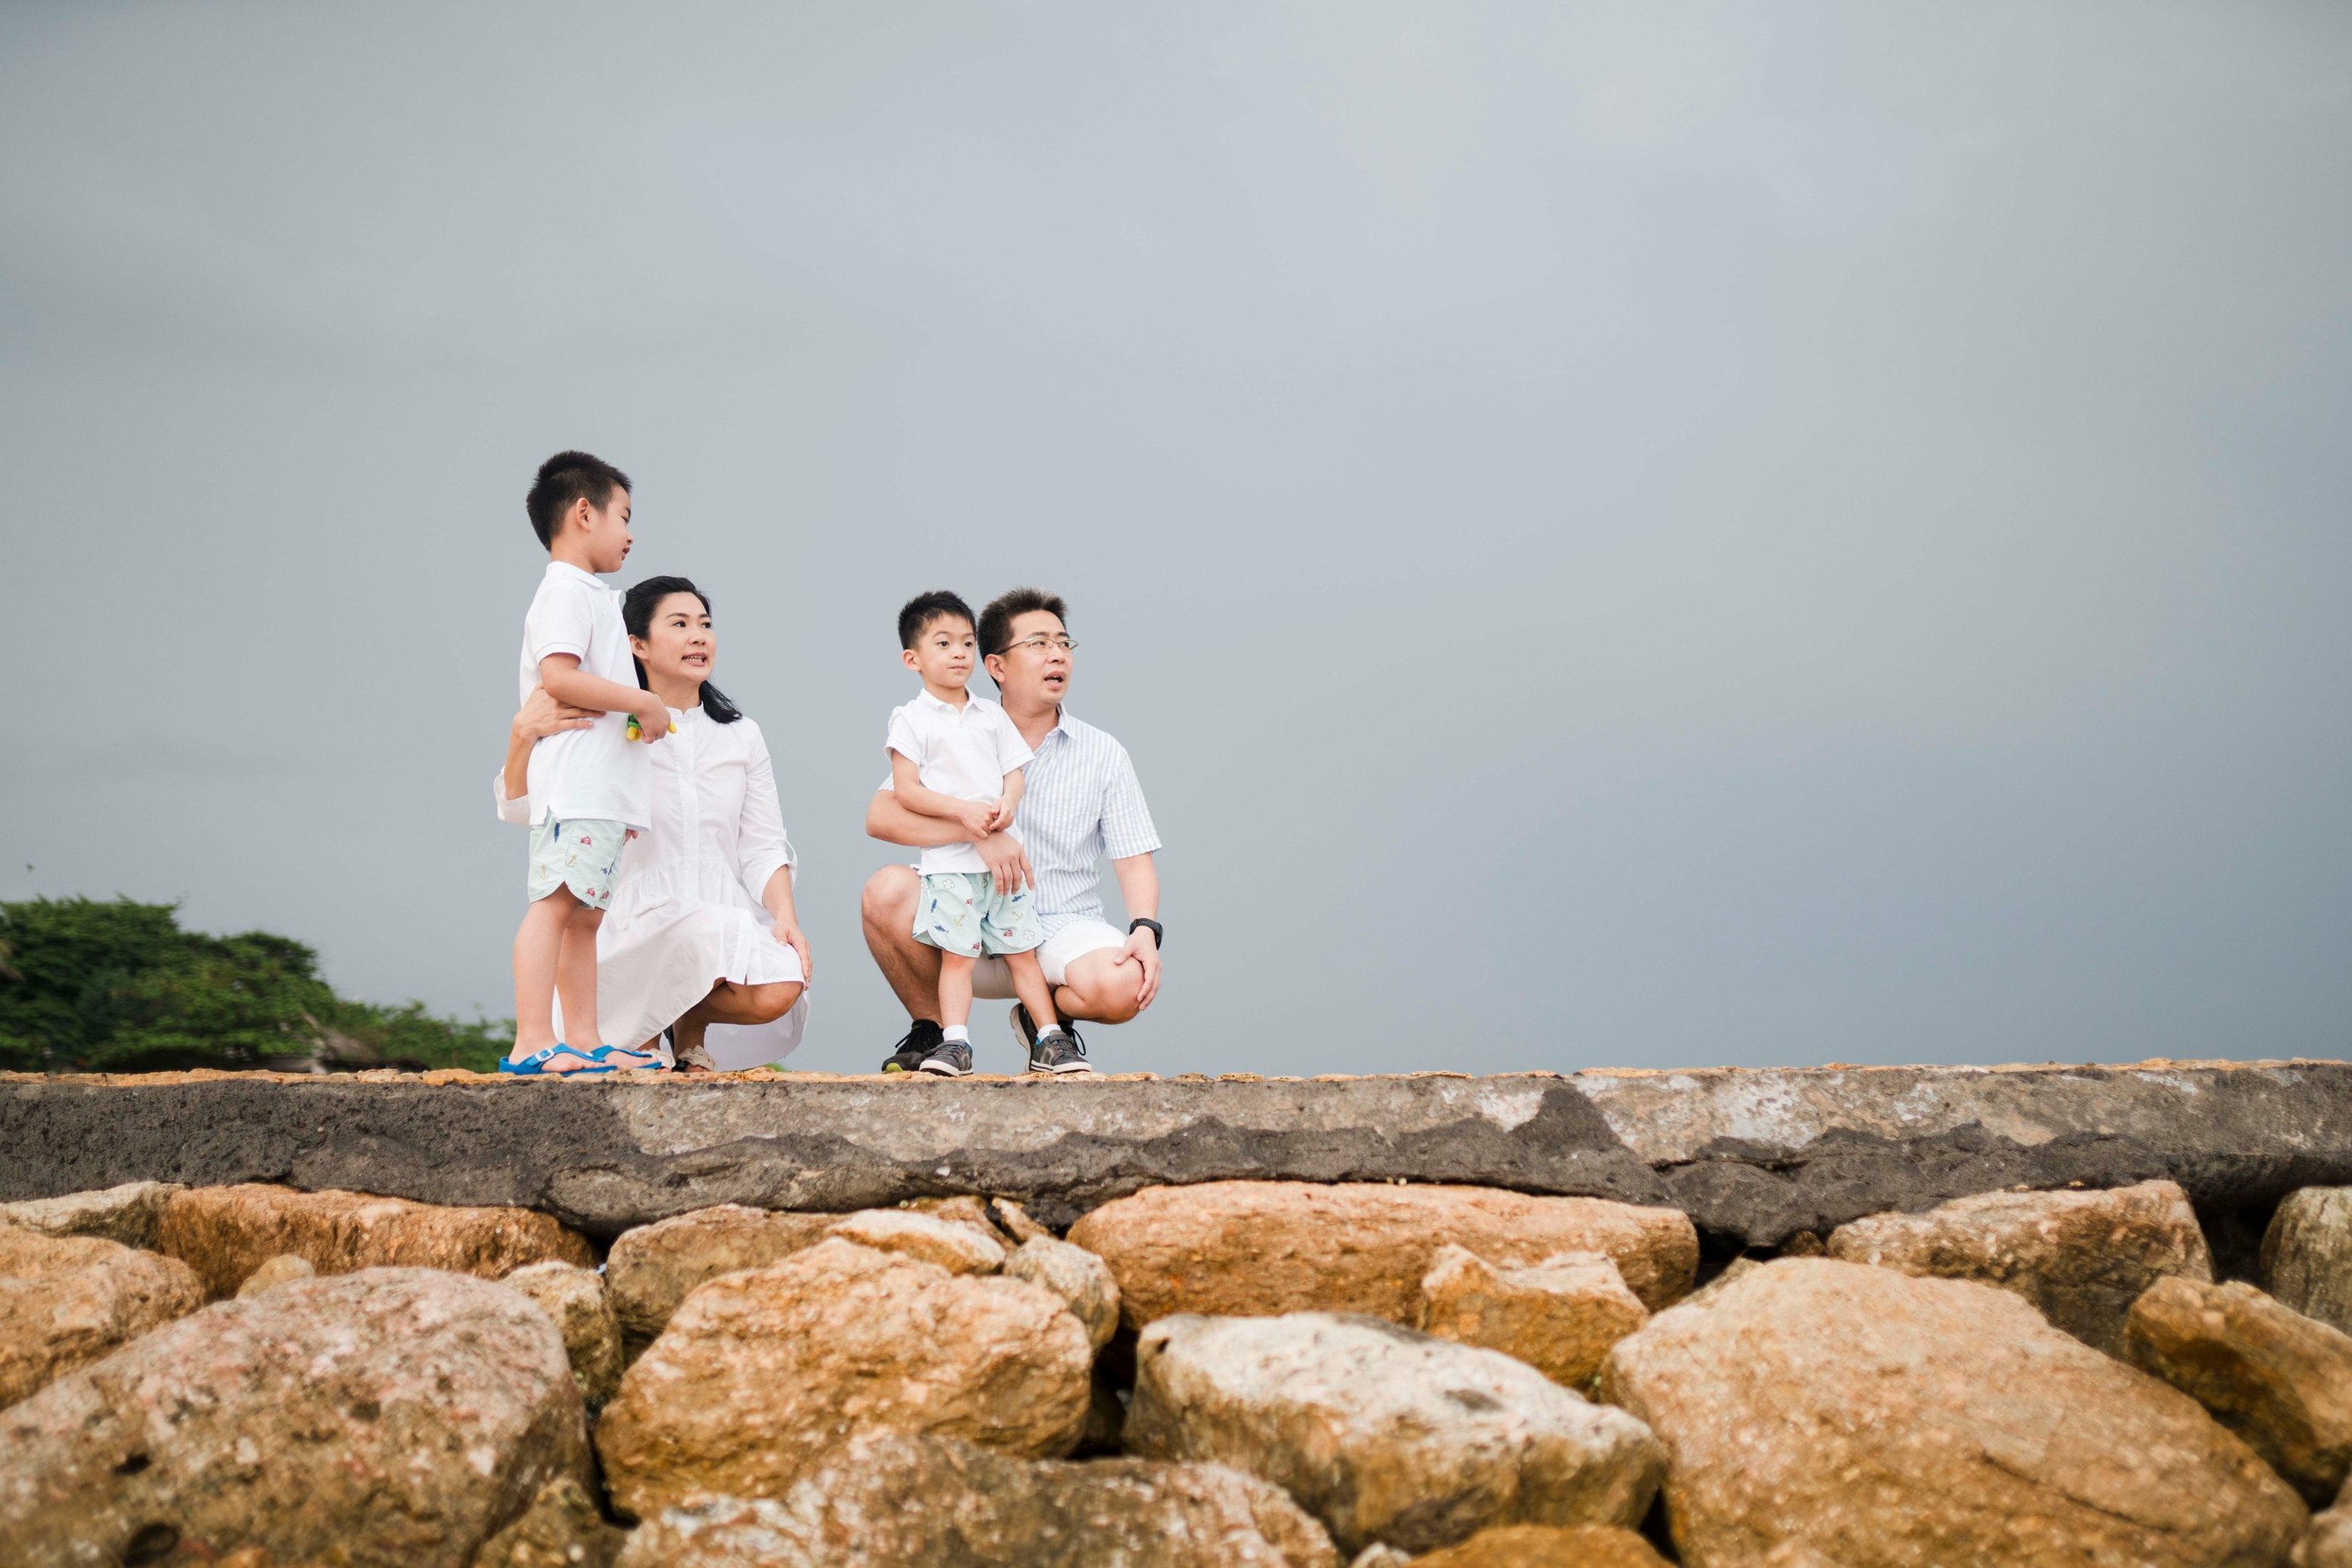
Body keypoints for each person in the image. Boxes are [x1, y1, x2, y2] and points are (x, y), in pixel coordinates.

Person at [497, 576, 810, 1072]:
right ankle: (644, 1031)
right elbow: (528, 809)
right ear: (637, 645)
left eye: (705, 625)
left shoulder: (742, 735)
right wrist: (521, 735)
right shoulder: (608, 724)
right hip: (635, 921)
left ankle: (685, 1020)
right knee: (646, 1057)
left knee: (783, 984)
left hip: (718, 909)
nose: (699, 637)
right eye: (680, 624)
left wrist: (786, 918)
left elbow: (764, 842)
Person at [863, 587, 1162, 1075]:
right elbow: (882, 816)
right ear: (997, 666)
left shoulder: (1104, 752)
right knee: (884, 891)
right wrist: (976, 831)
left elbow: (1132, 856)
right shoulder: (956, 728)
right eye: (1039, 643)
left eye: (1064, 643)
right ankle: (936, 1032)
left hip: (1062, 926)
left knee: (1124, 987)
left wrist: (1145, 929)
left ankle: (1047, 1022)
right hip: (967, 916)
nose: (1057, 654)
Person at [504, 452, 671, 1075]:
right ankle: (531, 1040)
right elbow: (559, 676)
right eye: (623, 516)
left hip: (600, 791)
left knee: (586, 917)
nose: (630, 533)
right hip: (576, 788)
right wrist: (641, 699)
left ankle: (583, 1038)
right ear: (583, 513)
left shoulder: (592, 594)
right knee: (555, 903)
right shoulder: (565, 590)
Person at [881, 591, 1080, 1077]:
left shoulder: (992, 716)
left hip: (1003, 872)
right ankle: (955, 1043)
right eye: (943, 643)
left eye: (966, 643)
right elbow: (906, 791)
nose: (958, 654)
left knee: (1023, 954)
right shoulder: (910, 719)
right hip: (950, 869)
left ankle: (1052, 1040)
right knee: (956, 960)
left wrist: (1008, 804)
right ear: (913, 659)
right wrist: (964, 815)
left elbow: (1016, 772)